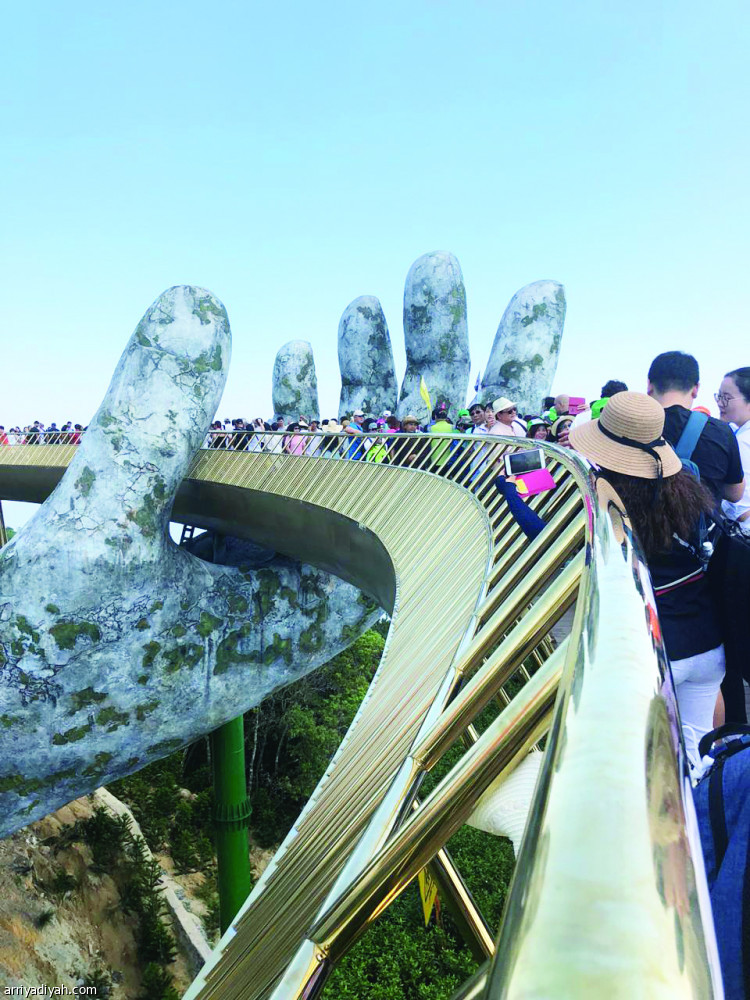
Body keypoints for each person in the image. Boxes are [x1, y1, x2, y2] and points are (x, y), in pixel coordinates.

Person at [569, 391, 723, 770]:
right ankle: (706, 817)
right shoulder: (686, 488)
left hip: (655, 646)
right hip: (708, 642)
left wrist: (512, 494)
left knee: (645, 758)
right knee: (695, 753)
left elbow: (549, 543)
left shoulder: (607, 497)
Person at [647, 351, 744, 509]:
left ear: (649, 385)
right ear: (695, 389)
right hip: (696, 532)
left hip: (637, 531)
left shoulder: (634, 427)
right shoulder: (722, 432)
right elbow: (735, 494)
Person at [716, 367, 750, 532]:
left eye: (726, 397)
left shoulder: (743, 441)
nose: (720, 403)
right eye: (719, 396)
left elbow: (739, 510)